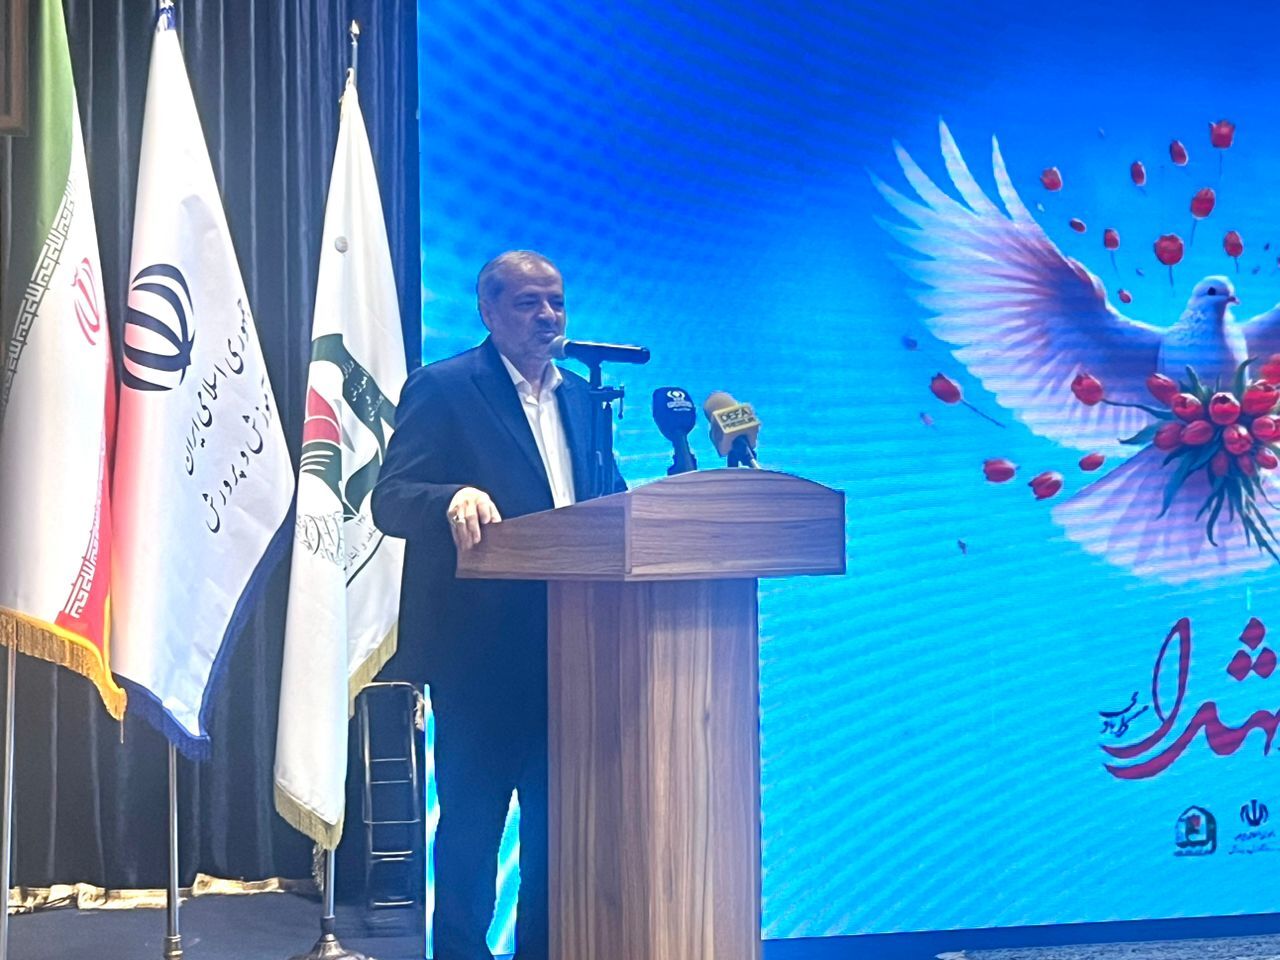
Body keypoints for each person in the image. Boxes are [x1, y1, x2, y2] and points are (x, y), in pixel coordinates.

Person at [371, 250, 625, 959]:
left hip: (572, 650)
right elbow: (390, 499)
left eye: (557, 302)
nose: (548, 316)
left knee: (557, 835)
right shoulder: (446, 387)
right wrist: (451, 495)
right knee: (471, 831)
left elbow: (609, 502)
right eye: (527, 303)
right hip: (479, 656)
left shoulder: (585, 400)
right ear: (487, 312)